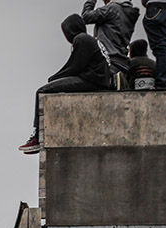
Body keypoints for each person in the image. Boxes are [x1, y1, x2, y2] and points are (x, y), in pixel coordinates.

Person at [19, 14, 112, 154]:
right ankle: (39, 134)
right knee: (52, 85)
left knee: (42, 91)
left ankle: (37, 136)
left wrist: (54, 78)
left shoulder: (81, 39)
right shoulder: (90, 39)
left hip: (92, 80)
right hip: (98, 79)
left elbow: (74, 66)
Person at [81, 0, 140, 87]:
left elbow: (85, 17)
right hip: (121, 60)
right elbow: (114, 22)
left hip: (108, 59)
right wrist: (107, 4)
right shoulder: (130, 12)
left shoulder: (112, 8)